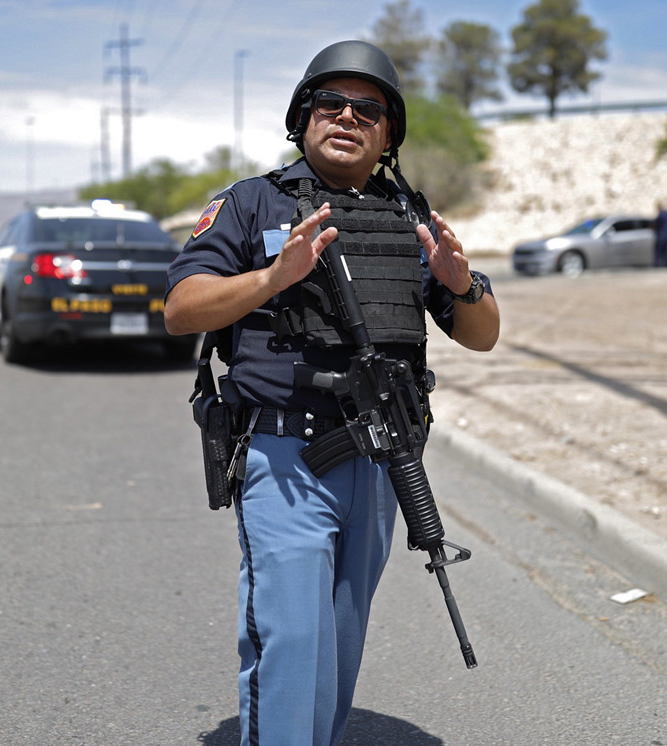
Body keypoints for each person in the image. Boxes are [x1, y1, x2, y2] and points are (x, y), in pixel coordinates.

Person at [165, 40, 500, 746]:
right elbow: (182, 309)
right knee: (291, 643)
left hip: (380, 463)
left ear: (388, 133)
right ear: (303, 116)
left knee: (339, 647)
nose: (347, 117)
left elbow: (481, 333)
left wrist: (461, 281)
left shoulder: (410, 216)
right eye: (331, 103)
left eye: (369, 108)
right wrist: (271, 279)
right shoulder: (251, 203)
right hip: (284, 460)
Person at [653, 202, 667, 267]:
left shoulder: (661, 215)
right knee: (666, 251)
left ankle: (657, 264)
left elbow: (656, 224)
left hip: (661, 236)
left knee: (658, 251)